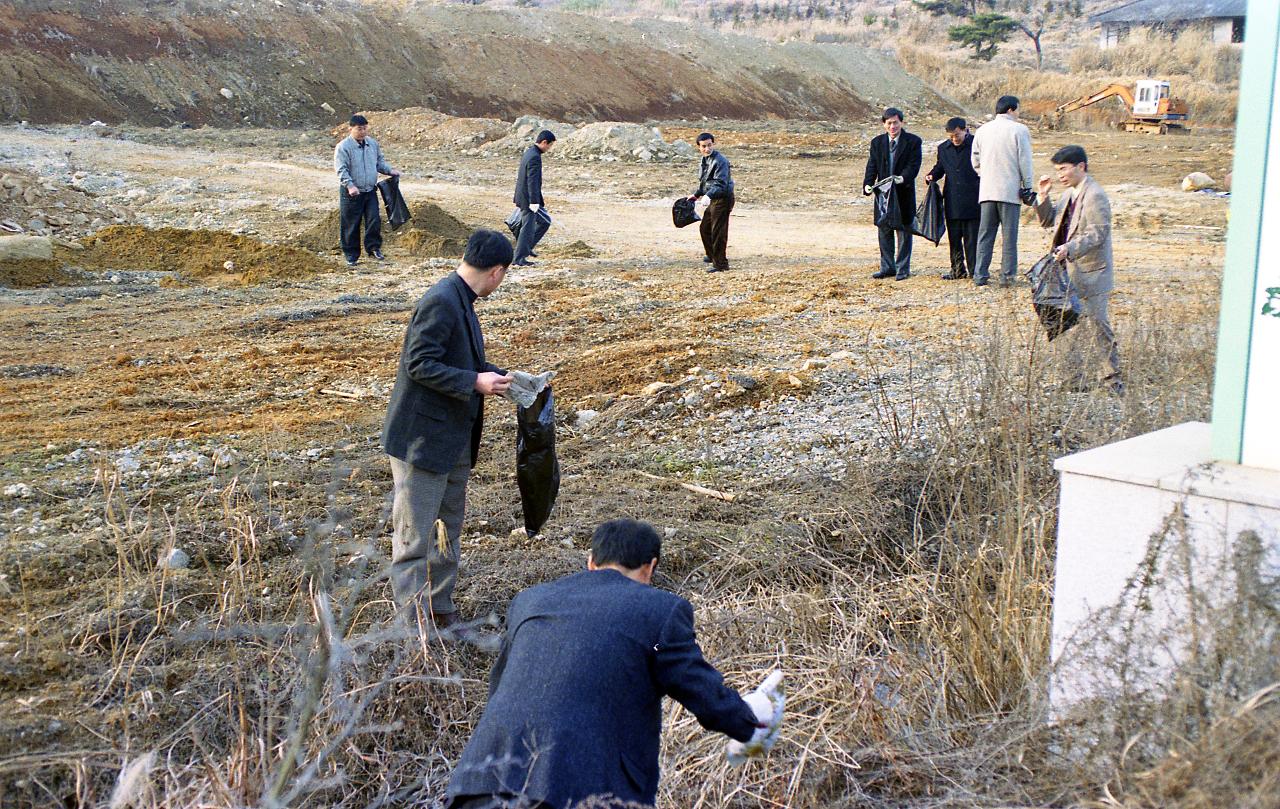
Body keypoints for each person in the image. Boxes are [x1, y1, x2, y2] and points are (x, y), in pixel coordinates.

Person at [445, 519, 771, 809]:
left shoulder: (530, 600)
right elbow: (700, 690)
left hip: (482, 778)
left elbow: (498, 686)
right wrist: (749, 724)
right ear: (650, 567)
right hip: (580, 787)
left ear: (590, 562)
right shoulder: (660, 609)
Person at [382, 229, 515, 631]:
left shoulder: (462, 299)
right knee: (414, 539)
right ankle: (411, 627)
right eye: (504, 275)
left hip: (451, 440)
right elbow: (418, 364)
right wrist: (474, 382)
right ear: (496, 271)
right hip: (422, 443)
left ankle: (440, 610)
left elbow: (460, 361)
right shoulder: (441, 302)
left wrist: (499, 376)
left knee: (446, 529)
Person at [1034, 145, 1123, 395]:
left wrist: (1070, 248)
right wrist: (1043, 196)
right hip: (1069, 272)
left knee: (1098, 327)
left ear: (1080, 167)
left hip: (1093, 272)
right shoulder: (1069, 193)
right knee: (1069, 327)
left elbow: (1098, 232)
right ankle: (1074, 379)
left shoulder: (1095, 194)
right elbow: (1048, 221)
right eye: (1057, 170)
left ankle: (1113, 381)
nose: (1060, 175)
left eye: (1063, 169)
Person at [971, 95, 1034, 287]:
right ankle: (1007, 278)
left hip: (987, 191)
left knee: (985, 236)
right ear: (1010, 110)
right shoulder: (1020, 130)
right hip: (1010, 192)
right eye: (1017, 109)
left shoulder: (982, 130)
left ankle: (980, 275)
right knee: (1009, 237)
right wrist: (1027, 185)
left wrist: (986, 175)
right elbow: (1025, 160)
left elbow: (975, 160)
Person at [863, 107, 922, 281]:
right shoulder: (877, 142)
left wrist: (902, 178)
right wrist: (868, 184)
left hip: (903, 192)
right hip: (883, 194)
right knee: (884, 228)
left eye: (895, 122)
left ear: (901, 122)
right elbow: (872, 165)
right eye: (889, 123)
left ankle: (903, 268)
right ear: (884, 125)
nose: (892, 126)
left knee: (904, 230)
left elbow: (914, 165)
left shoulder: (913, 141)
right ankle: (887, 267)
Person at [334, 114, 400, 267]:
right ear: (351, 129)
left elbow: (379, 162)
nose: (363, 132)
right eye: (359, 129)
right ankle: (351, 255)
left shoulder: (372, 144)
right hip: (351, 192)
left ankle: (374, 248)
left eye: (365, 128)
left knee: (374, 220)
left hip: (370, 190)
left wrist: (390, 171)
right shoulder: (343, 147)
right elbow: (341, 169)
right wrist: (350, 185)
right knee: (351, 223)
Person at [925, 117, 980, 280]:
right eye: (951, 136)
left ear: (965, 130)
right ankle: (957, 270)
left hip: (973, 199)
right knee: (954, 238)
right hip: (952, 200)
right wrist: (931, 176)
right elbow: (940, 168)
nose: (954, 139)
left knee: (972, 239)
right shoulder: (944, 148)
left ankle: (975, 271)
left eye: (957, 135)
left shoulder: (977, 145)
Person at [687, 132, 735, 273]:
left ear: (713, 144)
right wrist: (697, 195)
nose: (707, 149)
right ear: (699, 147)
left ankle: (720, 264)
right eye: (703, 146)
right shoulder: (705, 160)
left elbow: (721, 183)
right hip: (713, 198)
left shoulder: (720, 161)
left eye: (709, 145)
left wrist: (708, 195)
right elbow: (704, 182)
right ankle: (712, 254)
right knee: (705, 228)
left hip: (723, 198)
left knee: (718, 231)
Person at [512, 130, 555, 267]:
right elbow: (532, 181)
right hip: (528, 199)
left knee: (544, 222)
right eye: (550, 145)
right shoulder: (534, 157)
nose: (549, 148)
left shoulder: (530, 152)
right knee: (527, 228)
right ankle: (519, 258)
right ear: (544, 142)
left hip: (524, 196)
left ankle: (526, 248)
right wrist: (534, 202)